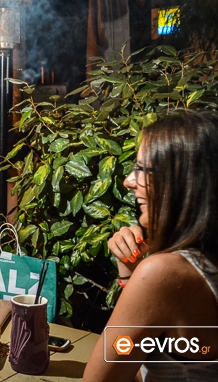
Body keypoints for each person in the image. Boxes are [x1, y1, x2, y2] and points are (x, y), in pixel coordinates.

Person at [84, 111, 218, 381]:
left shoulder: (164, 273)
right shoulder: (206, 263)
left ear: (180, 180)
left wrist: (139, 276)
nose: (128, 181)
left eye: (141, 169)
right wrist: (130, 273)